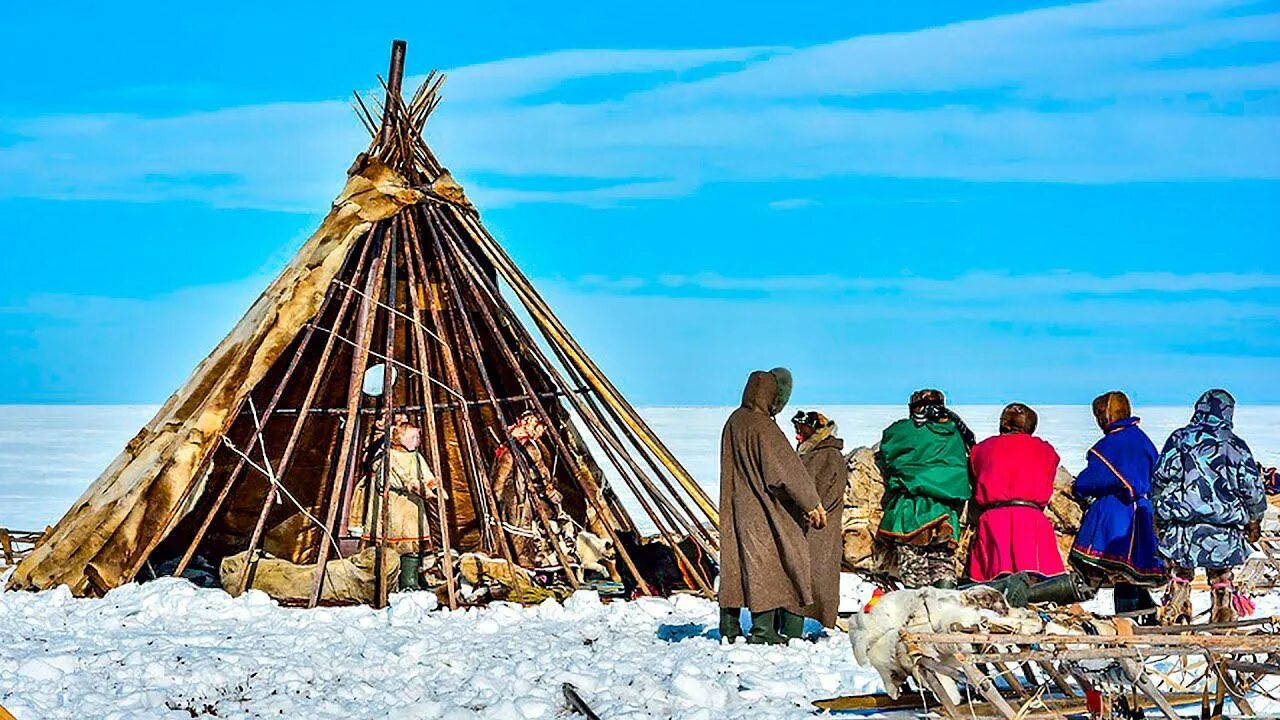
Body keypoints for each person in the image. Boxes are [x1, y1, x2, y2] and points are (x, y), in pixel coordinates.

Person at [719, 368, 827, 644]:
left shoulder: (734, 421)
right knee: (775, 563)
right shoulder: (762, 426)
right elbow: (787, 471)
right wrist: (812, 503)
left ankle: (730, 628)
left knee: (737, 564)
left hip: (737, 506)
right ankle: (764, 631)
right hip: (764, 509)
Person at [1153, 390, 1266, 624]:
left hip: (1183, 527)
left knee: (1181, 572)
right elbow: (1252, 488)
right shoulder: (1236, 446)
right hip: (1224, 530)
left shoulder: (1179, 440)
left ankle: (1177, 606)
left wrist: (1158, 514)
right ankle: (1222, 611)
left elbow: (1160, 479)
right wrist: (1254, 519)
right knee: (1221, 575)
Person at [966, 404, 1084, 605]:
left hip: (995, 521)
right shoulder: (1045, 450)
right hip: (1031, 521)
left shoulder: (982, 449)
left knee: (993, 586)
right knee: (1037, 584)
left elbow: (976, 471)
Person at [1069, 391, 1165, 620]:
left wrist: (1078, 489)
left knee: (1119, 571)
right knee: (1135, 574)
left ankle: (1127, 624)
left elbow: (1092, 480)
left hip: (1117, 514)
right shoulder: (1143, 440)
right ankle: (1148, 619)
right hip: (1144, 513)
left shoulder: (1109, 446)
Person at [876, 389, 974, 589]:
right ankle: (946, 607)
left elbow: (889, 450)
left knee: (914, 570)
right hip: (945, 513)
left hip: (911, 511)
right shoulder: (956, 434)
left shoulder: (904, 431)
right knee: (942, 564)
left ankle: (920, 612)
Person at [352, 418, 442, 590]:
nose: (417, 441)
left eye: (417, 437)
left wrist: (434, 485)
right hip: (391, 507)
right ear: (399, 438)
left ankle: (410, 580)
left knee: (412, 545)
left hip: (411, 509)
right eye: (412, 437)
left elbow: (427, 474)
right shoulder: (388, 456)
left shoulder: (416, 457)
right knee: (389, 546)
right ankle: (385, 581)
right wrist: (411, 485)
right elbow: (386, 479)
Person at [792, 410, 846, 629]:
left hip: (817, 529)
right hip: (814, 529)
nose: (797, 437)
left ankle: (796, 628)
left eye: (800, 432)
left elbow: (813, 493)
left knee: (812, 580)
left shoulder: (825, 456)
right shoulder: (816, 454)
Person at [491, 411, 562, 565]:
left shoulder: (510, 444)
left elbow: (499, 478)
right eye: (541, 427)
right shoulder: (528, 446)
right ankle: (523, 563)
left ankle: (515, 561)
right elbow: (541, 470)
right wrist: (549, 490)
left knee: (512, 529)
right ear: (530, 422)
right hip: (521, 497)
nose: (542, 432)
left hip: (509, 496)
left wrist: (496, 496)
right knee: (521, 531)